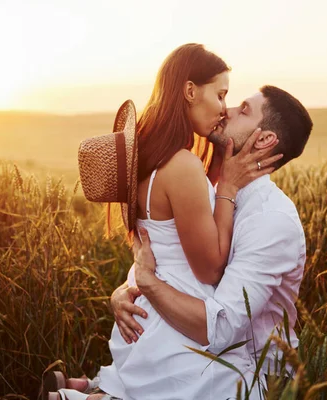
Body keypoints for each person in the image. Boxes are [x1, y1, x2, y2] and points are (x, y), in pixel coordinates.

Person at [45, 44, 281, 400]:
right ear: (190, 91)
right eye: (220, 94)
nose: (223, 109)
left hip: (153, 314)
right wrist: (228, 187)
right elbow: (210, 270)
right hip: (175, 322)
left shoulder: (148, 160)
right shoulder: (181, 165)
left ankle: (79, 393)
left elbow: (159, 245)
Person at [114, 85, 313, 398]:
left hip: (247, 374)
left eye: (243, 110)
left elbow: (220, 329)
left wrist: (148, 285)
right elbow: (170, 261)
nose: (227, 110)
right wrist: (126, 292)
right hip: (197, 351)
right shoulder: (208, 188)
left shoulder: (271, 220)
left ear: (263, 140)